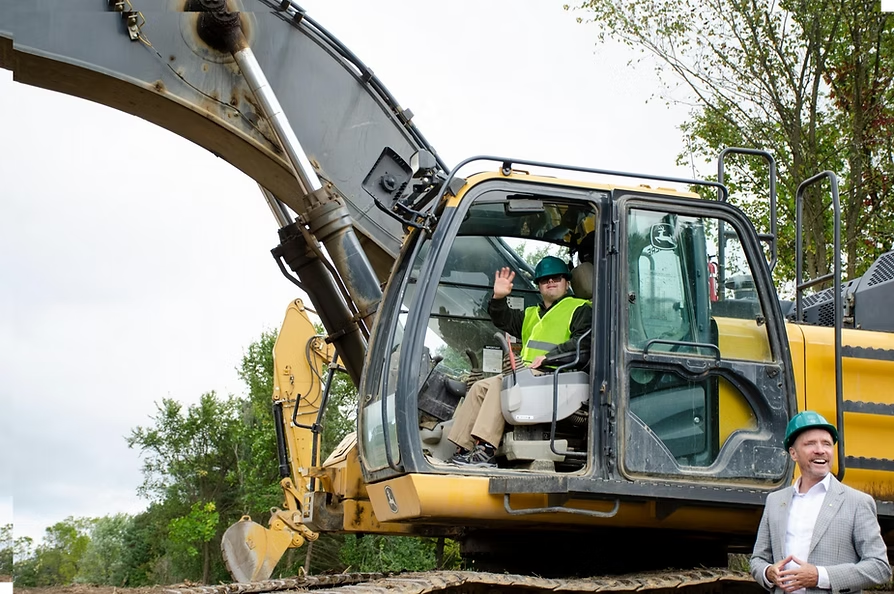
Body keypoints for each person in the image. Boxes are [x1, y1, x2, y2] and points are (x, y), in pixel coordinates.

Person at [447, 255, 592, 467]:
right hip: (529, 377)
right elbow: (503, 318)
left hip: (557, 375)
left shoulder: (580, 308)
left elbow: (583, 343)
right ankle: (464, 447)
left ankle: (485, 450)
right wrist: (498, 298)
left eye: (556, 278)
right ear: (539, 286)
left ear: (567, 282)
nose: (550, 282)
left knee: (501, 384)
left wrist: (549, 357)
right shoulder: (531, 314)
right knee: (480, 387)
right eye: (545, 280)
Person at [750, 411, 891, 594]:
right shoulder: (775, 501)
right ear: (793, 453)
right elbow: (758, 560)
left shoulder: (858, 502)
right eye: (810, 444)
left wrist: (820, 576)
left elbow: (879, 567)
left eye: (827, 444)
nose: (820, 450)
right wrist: (769, 573)